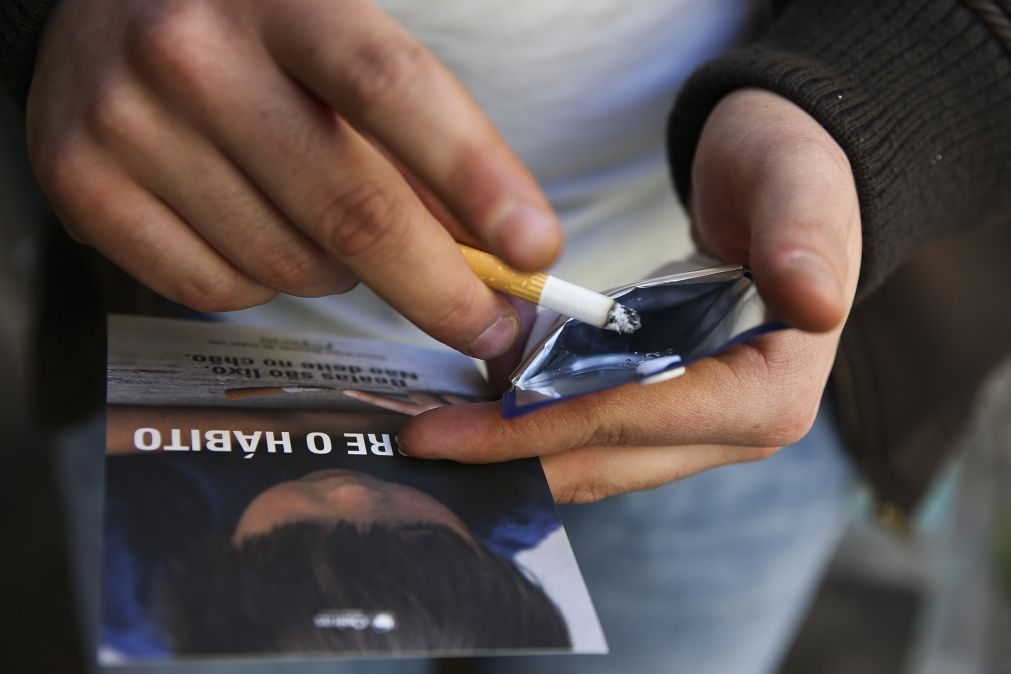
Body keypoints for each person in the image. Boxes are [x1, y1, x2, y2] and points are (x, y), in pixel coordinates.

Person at [4, 0, 1011, 672]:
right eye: (385, 532)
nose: (354, 491)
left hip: (723, 392)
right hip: (188, 346)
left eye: (319, 523)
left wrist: (879, 110)